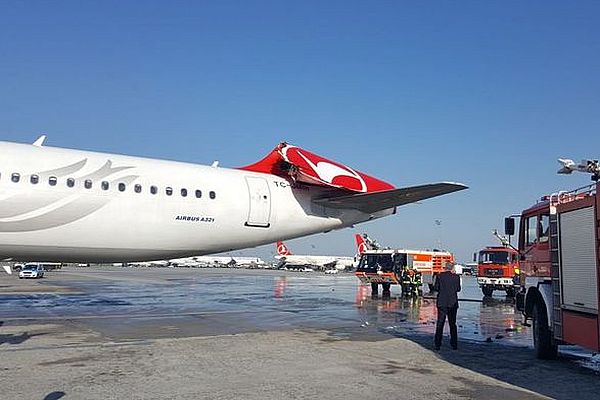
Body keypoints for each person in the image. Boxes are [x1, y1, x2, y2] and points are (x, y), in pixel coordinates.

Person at [433, 262, 461, 350]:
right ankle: (454, 344)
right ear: (452, 268)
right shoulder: (456, 277)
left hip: (442, 302)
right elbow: (458, 289)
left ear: (445, 268)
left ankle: (438, 344)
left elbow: (436, 288)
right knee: (452, 324)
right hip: (452, 302)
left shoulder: (439, 276)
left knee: (440, 323)